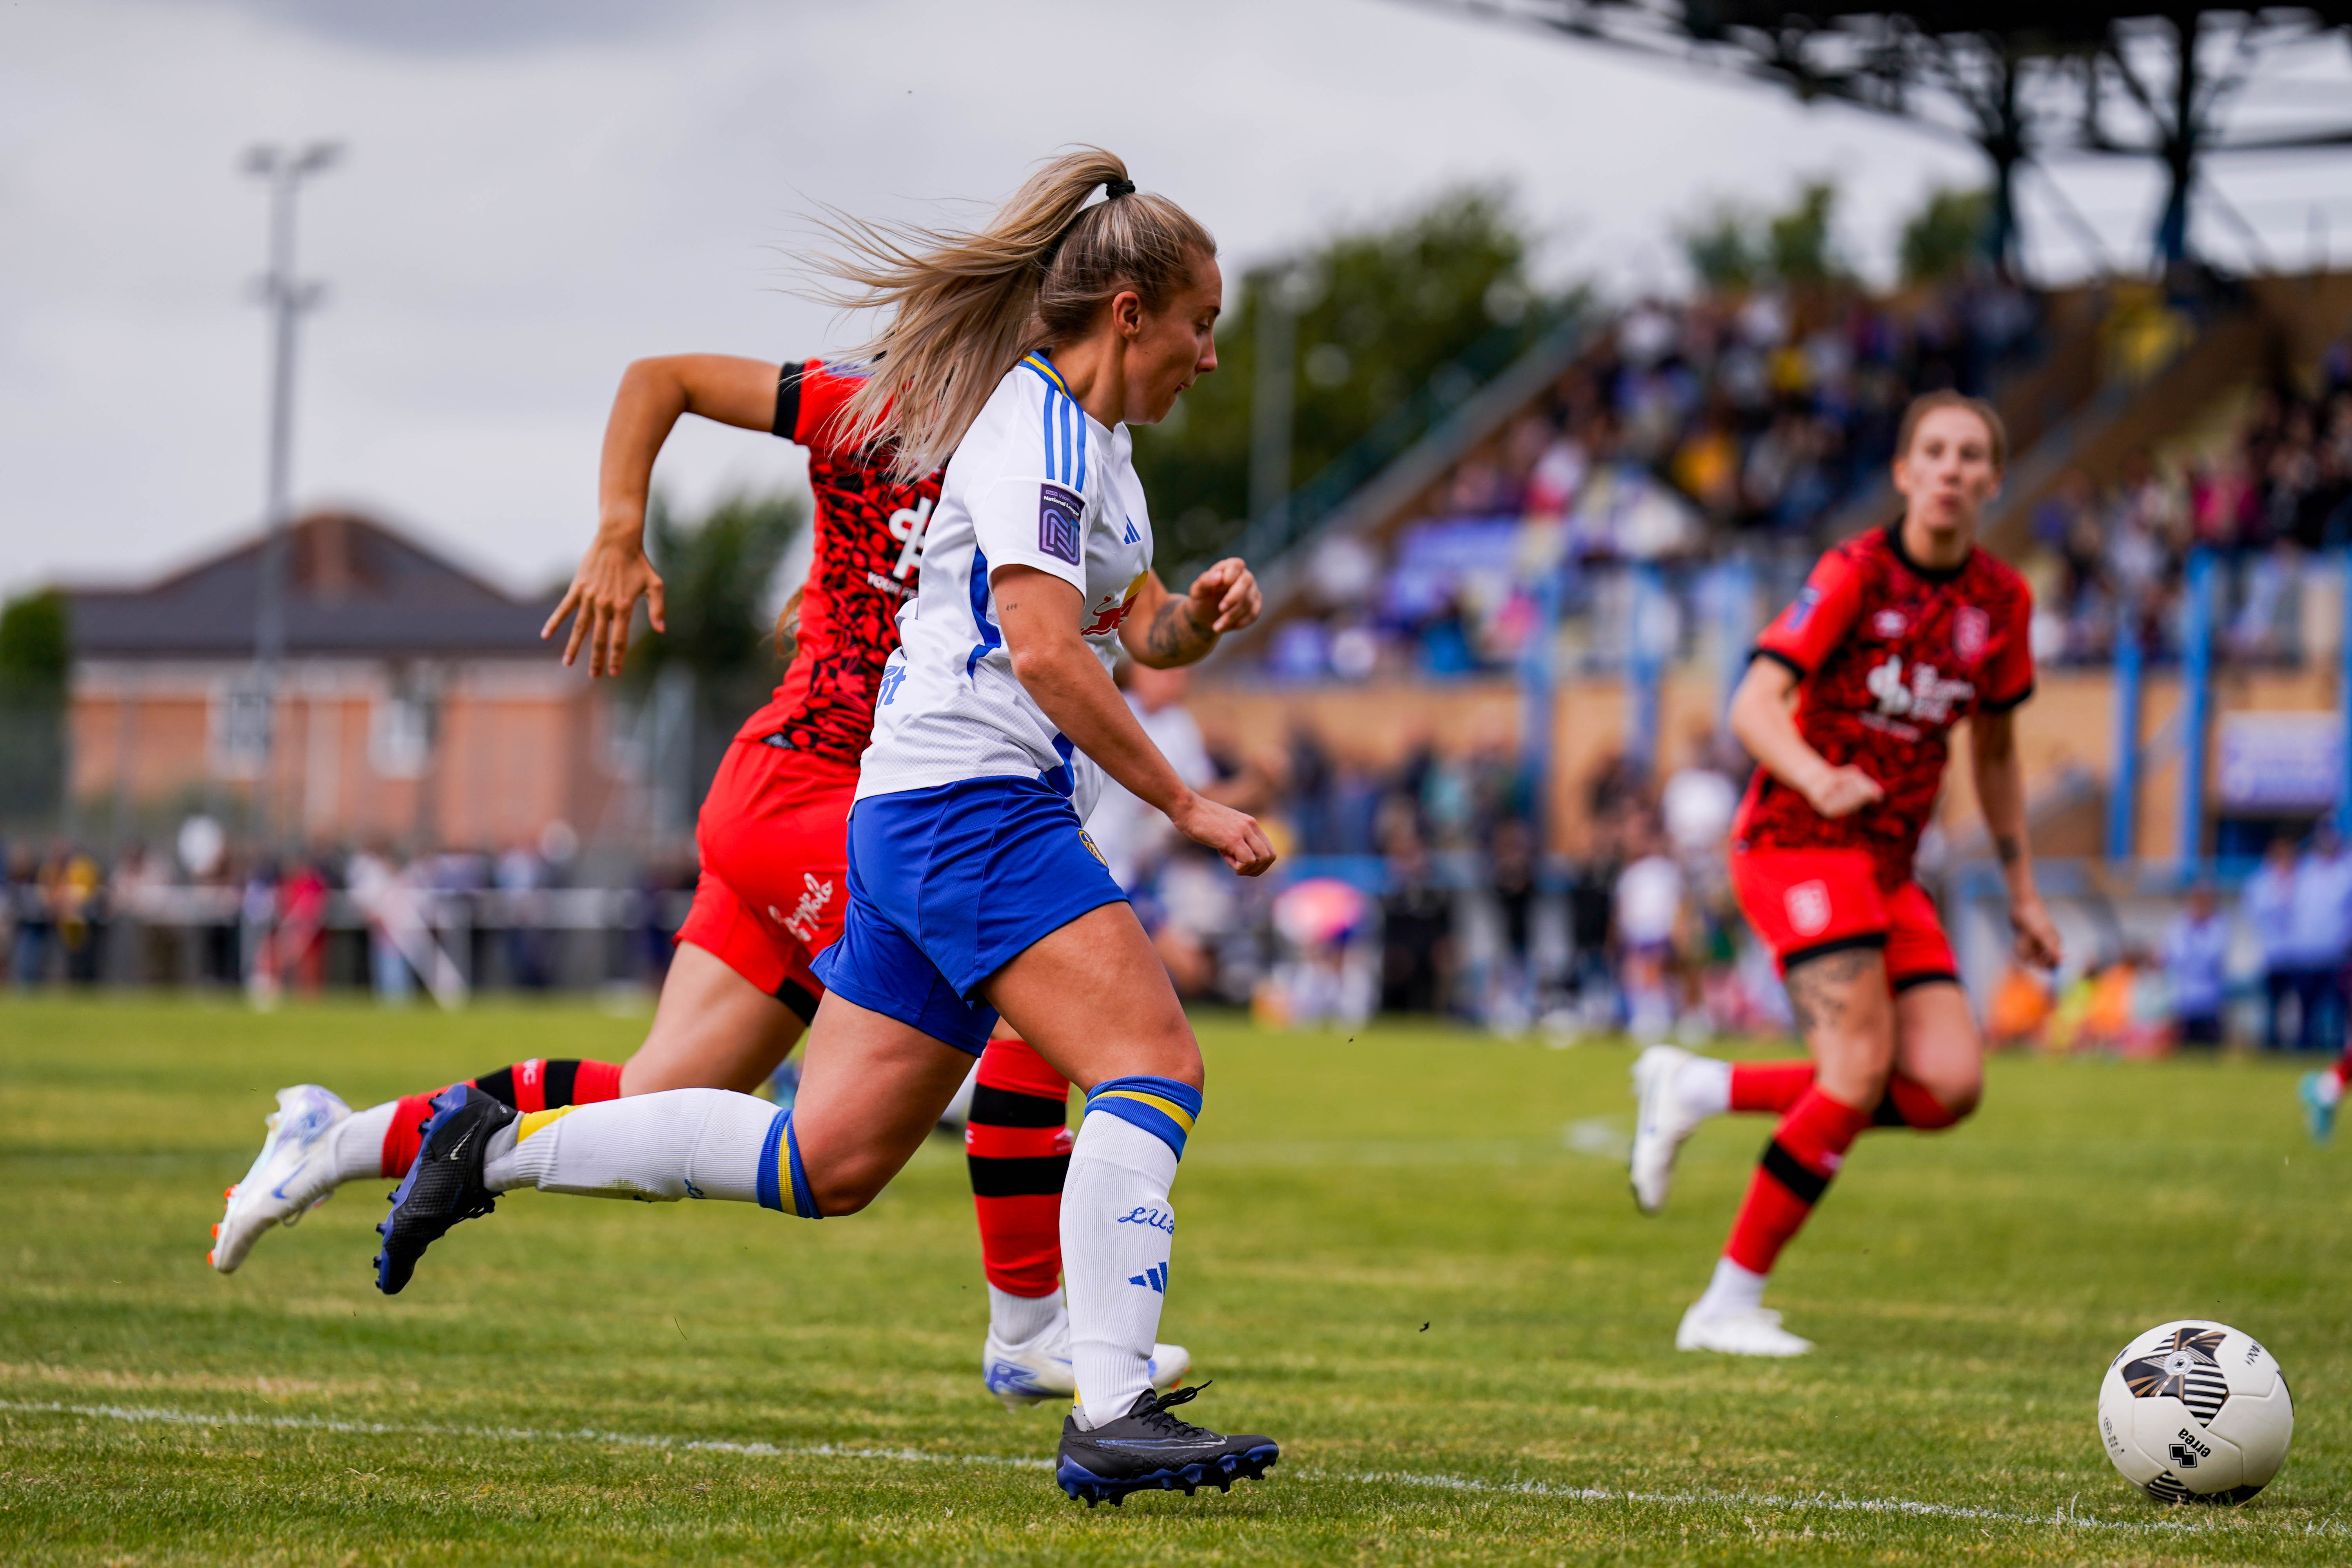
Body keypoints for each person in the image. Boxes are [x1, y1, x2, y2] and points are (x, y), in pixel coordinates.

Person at [365, 151, 1281, 1504]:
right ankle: (1112, 1405)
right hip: (973, 810)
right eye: (1204, 323)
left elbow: (1125, 626)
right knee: (1152, 1063)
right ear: (1134, 311)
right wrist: (1185, 801)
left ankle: (488, 1143)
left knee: (829, 1159)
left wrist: (1191, 621)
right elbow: (1040, 650)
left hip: (917, 815)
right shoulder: (1032, 425)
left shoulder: (1106, 456)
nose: (1211, 356)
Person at [211, 347, 1186, 1412]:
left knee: (655, 1099)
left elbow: (1111, 609)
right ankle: (1027, 1327)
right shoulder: (877, 403)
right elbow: (656, 379)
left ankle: (340, 1137)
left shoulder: (1058, 441)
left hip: (824, 802)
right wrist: (621, 532)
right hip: (823, 794)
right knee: (1034, 1014)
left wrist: (1187, 619)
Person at [1625, 390, 2063, 1357]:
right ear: (1905, 471)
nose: (1951, 468)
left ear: (1992, 479)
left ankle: (1704, 1088)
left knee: (1949, 1083)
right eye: (1934, 452)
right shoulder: (1855, 572)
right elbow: (1753, 703)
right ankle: (1725, 1303)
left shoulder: (2001, 604)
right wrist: (1820, 775)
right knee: (1859, 1067)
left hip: (1889, 868)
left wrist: (2024, 892)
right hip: (1794, 845)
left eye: (1970, 455)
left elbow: (1994, 755)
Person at [2245, 837, 2298, 1050]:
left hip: (2298, 954)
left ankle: (2298, 1045)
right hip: (2271, 953)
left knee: (2299, 1006)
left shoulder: (2301, 879)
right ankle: (2271, 1044)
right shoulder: (2260, 883)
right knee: (2272, 1005)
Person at [2161, 884, 2229, 1049]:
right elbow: (2174, 956)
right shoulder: (2180, 924)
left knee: (2209, 1049)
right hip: (2184, 999)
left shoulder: (2218, 925)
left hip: (2209, 1000)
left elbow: (2211, 958)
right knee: (2186, 1049)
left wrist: (2192, 955)